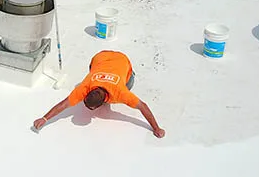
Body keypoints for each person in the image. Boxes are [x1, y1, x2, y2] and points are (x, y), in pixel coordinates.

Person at [33, 51, 165, 138]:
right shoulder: (84, 87)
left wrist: (156, 128)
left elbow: (143, 106)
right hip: (100, 56)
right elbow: (63, 105)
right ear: (88, 92)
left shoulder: (121, 92)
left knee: (129, 83)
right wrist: (44, 119)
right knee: (94, 69)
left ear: (103, 103)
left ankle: (131, 73)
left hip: (122, 59)